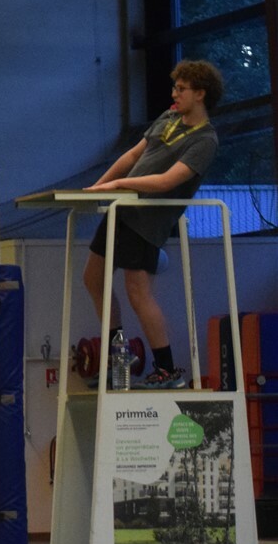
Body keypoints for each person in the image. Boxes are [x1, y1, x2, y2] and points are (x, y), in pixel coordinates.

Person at [82, 59, 223, 389]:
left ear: (201, 94)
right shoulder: (169, 117)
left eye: (182, 89)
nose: (174, 94)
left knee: (137, 290)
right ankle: (120, 358)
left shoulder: (205, 140)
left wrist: (118, 185)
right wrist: (97, 187)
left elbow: (166, 181)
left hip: (147, 219)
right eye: (175, 87)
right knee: (93, 278)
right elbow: (133, 156)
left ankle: (167, 369)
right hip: (122, 210)